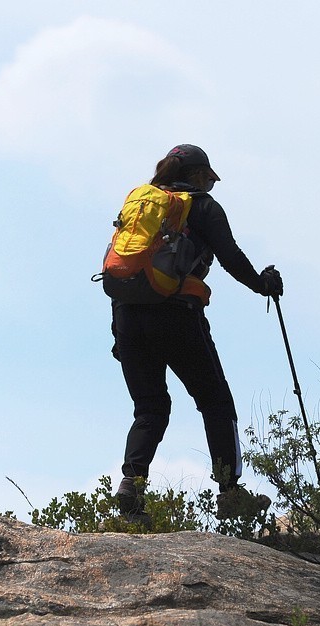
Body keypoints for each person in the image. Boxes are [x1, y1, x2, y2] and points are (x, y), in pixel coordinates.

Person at [110, 144, 283, 520]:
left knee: (150, 408)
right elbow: (230, 256)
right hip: (176, 314)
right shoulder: (201, 205)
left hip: (128, 316)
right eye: (209, 178)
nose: (210, 185)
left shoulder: (140, 206)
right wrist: (262, 284)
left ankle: (131, 488)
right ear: (196, 175)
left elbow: (124, 267)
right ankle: (230, 493)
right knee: (215, 400)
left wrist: (117, 333)